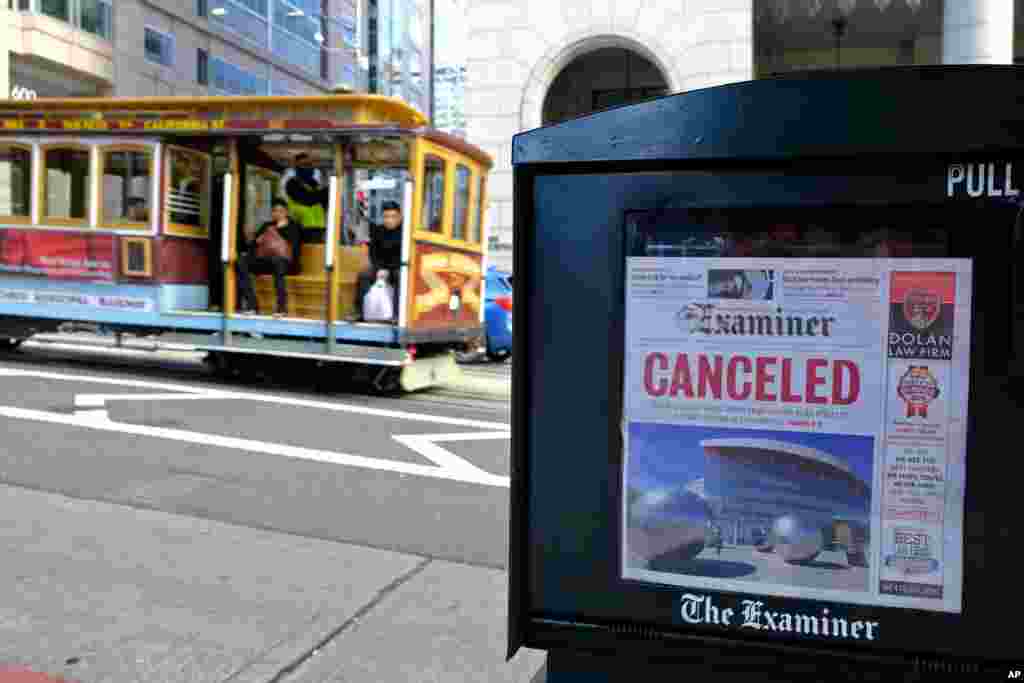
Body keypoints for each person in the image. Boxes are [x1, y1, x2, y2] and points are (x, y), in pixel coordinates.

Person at [236, 198, 302, 317]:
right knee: (241, 262)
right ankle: (252, 305)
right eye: (275, 211)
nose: (277, 214)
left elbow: (294, 247)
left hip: (286, 263)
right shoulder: (267, 225)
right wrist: (255, 240)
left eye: (280, 211)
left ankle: (281, 308)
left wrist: (279, 230)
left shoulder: (294, 226)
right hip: (266, 261)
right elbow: (252, 245)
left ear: (286, 212)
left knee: (278, 262)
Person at [352, 200, 403, 322]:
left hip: (398, 267)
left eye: (392, 217)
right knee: (363, 275)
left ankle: (397, 315)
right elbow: (373, 253)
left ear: (399, 217)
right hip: (380, 268)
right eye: (386, 217)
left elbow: (404, 255)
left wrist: (389, 270)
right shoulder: (378, 231)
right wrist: (380, 268)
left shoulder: (405, 232)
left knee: (401, 276)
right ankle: (359, 312)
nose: (389, 220)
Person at [280, 153, 329, 243]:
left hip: (318, 227)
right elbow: (307, 199)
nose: (309, 167)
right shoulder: (292, 183)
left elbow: (323, 201)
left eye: (310, 165)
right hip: (300, 227)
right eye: (305, 165)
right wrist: (324, 192)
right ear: (296, 167)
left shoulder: (313, 183)